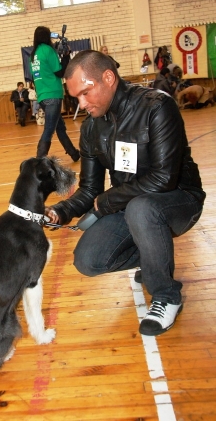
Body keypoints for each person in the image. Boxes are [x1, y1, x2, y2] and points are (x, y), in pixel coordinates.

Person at [46, 50, 205, 337]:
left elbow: (164, 178)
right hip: (130, 205)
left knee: (142, 209)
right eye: (75, 98)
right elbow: (90, 189)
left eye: (85, 93)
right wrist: (61, 210)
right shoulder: (91, 128)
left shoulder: (156, 106)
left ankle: (167, 296)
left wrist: (108, 200)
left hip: (180, 198)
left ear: (108, 78)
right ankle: (153, 255)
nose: (81, 104)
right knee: (88, 260)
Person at [30, 26, 80, 161]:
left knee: (60, 128)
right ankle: (39, 160)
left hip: (42, 96)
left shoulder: (34, 54)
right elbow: (60, 72)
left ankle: (74, 154)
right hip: (53, 94)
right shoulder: (47, 50)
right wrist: (66, 56)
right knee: (49, 129)